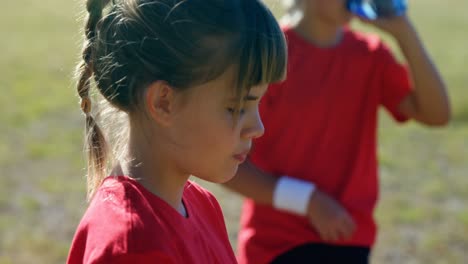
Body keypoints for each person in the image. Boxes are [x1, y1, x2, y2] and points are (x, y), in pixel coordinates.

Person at [223, 0, 450, 263]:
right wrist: (307, 200)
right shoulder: (270, 58)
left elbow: (436, 115)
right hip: (276, 244)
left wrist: (404, 32)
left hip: (347, 236)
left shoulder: (371, 56)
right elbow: (229, 169)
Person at [66, 0, 287, 263]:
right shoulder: (134, 247)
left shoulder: (200, 204)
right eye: (236, 107)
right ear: (163, 103)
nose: (258, 128)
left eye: (258, 103)